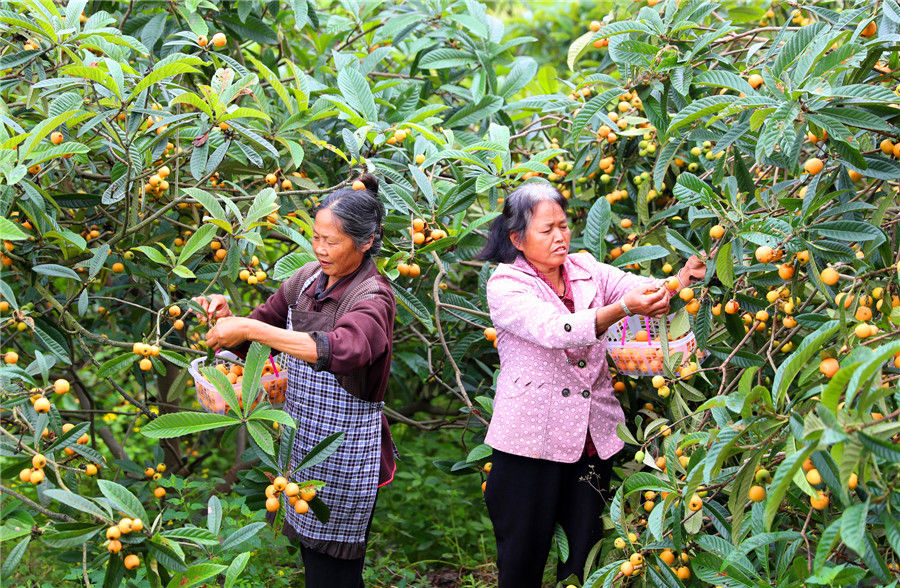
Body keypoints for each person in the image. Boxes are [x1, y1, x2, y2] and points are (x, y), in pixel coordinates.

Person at [478, 182, 705, 586]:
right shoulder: (505, 284)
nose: (560, 237)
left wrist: (680, 280)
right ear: (517, 238)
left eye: (563, 226)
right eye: (546, 230)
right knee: (521, 563)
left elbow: (636, 288)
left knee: (584, 562)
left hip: (591, 441)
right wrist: (620, 309)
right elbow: (556, 329)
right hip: (530, 445)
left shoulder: (585, 269)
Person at [194, 174, 397, 588]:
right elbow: (263, 324)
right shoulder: (306, 279)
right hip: (300, 443)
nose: (320, 249)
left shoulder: (372, 297)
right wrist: (226, 317)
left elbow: (345, 349)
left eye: (332, 241)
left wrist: (251, 331)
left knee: (335, 574)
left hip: (345, 454)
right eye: (316, 237)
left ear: (366, 241)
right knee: (314, 563)